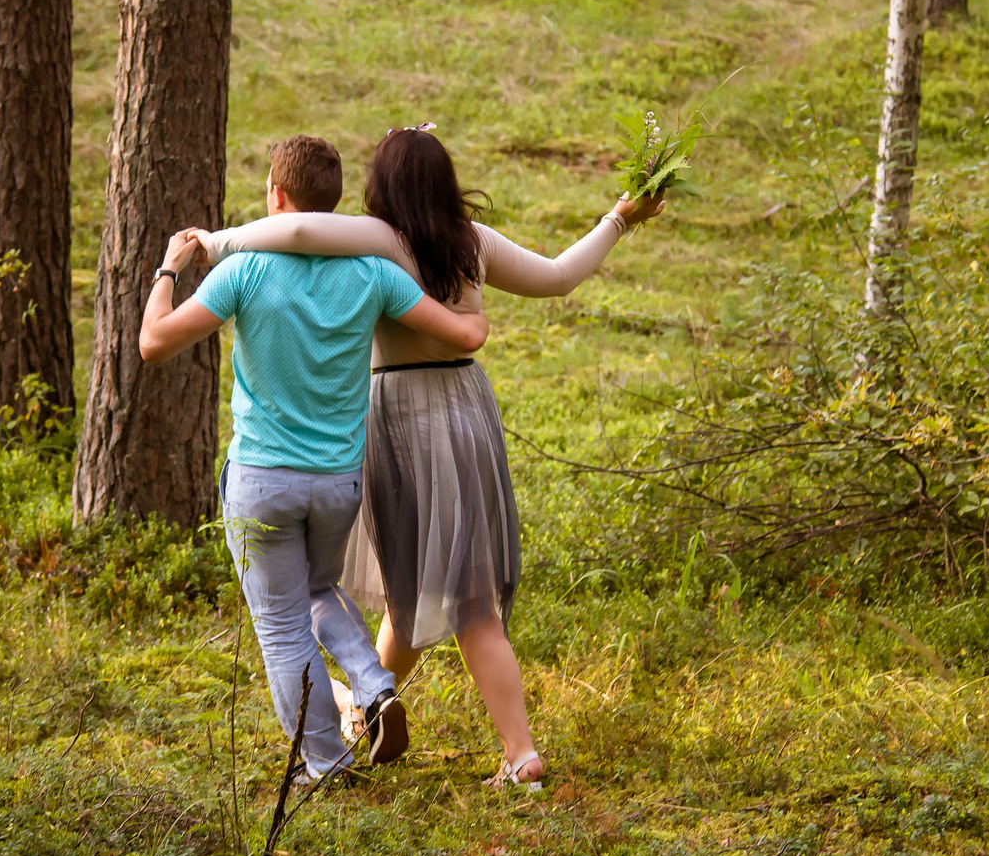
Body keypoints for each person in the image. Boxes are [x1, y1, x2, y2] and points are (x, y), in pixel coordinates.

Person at [197, 127, 662, 791]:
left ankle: (457, 731)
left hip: (399, 417)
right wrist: (619, 216)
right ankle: (409, 716)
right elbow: (559, 276)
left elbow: (297, 234)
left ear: (381, 188)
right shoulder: (470, 241)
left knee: (443, 590)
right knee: (437, 590)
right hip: (468, 408)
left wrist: (216, 242)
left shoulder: (383, 240)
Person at [138, 135, 489, 786]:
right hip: (337, 483)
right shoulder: (373, 275)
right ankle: (374, 684)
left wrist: (167, 269)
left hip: (263, 482)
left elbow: (153, 343)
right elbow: (462, 330)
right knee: (318, 589)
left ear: (276, 196)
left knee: (281, 626)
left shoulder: (245, 272)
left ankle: (325, 764)